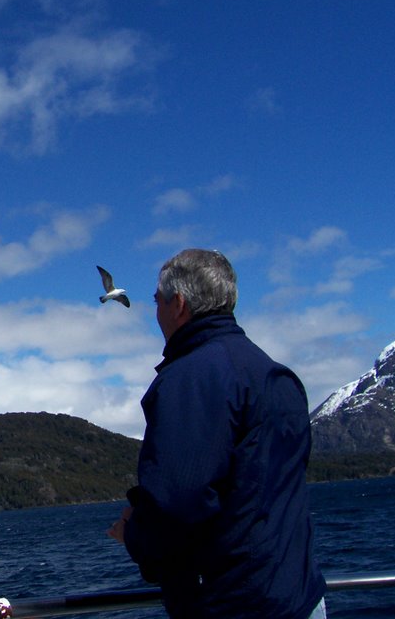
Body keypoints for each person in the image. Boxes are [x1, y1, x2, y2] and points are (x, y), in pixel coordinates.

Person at [107, 248, 325, 618]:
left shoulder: (189, 379)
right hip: (301, 598)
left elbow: (177, 506)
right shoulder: (277, 376)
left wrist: (134, 535)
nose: (155, 311)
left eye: (156, 301)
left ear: (178, 304)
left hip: (235, 606)